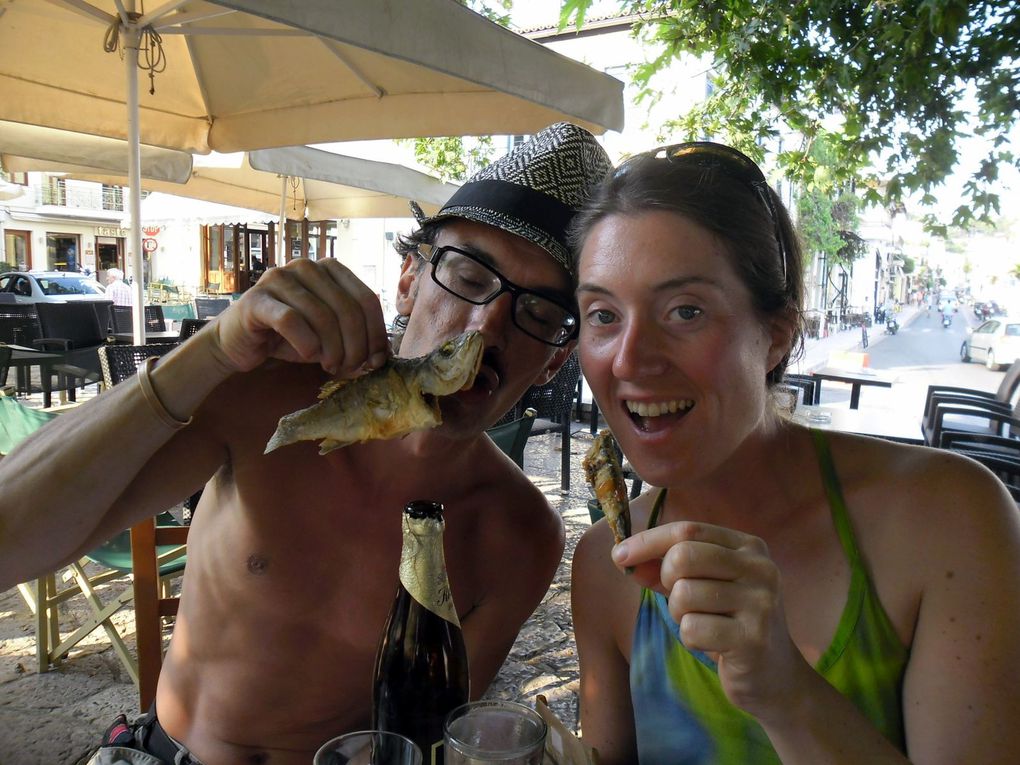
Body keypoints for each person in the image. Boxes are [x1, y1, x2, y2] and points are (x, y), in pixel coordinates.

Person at [0, 122, 612, 765]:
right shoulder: (269, 395)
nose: (486, 327)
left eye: (540, 313)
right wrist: (209, 352)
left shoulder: (519, 536)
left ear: (553, 361)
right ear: (409, 278)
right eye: (468, 275)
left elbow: (427, 736)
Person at [569, 143, 1020, 764]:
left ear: (777, 333)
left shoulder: (948, 517)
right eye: (603, 315)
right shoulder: (604, 566)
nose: (628, 359)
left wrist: (786, 693)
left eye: (685, 311)